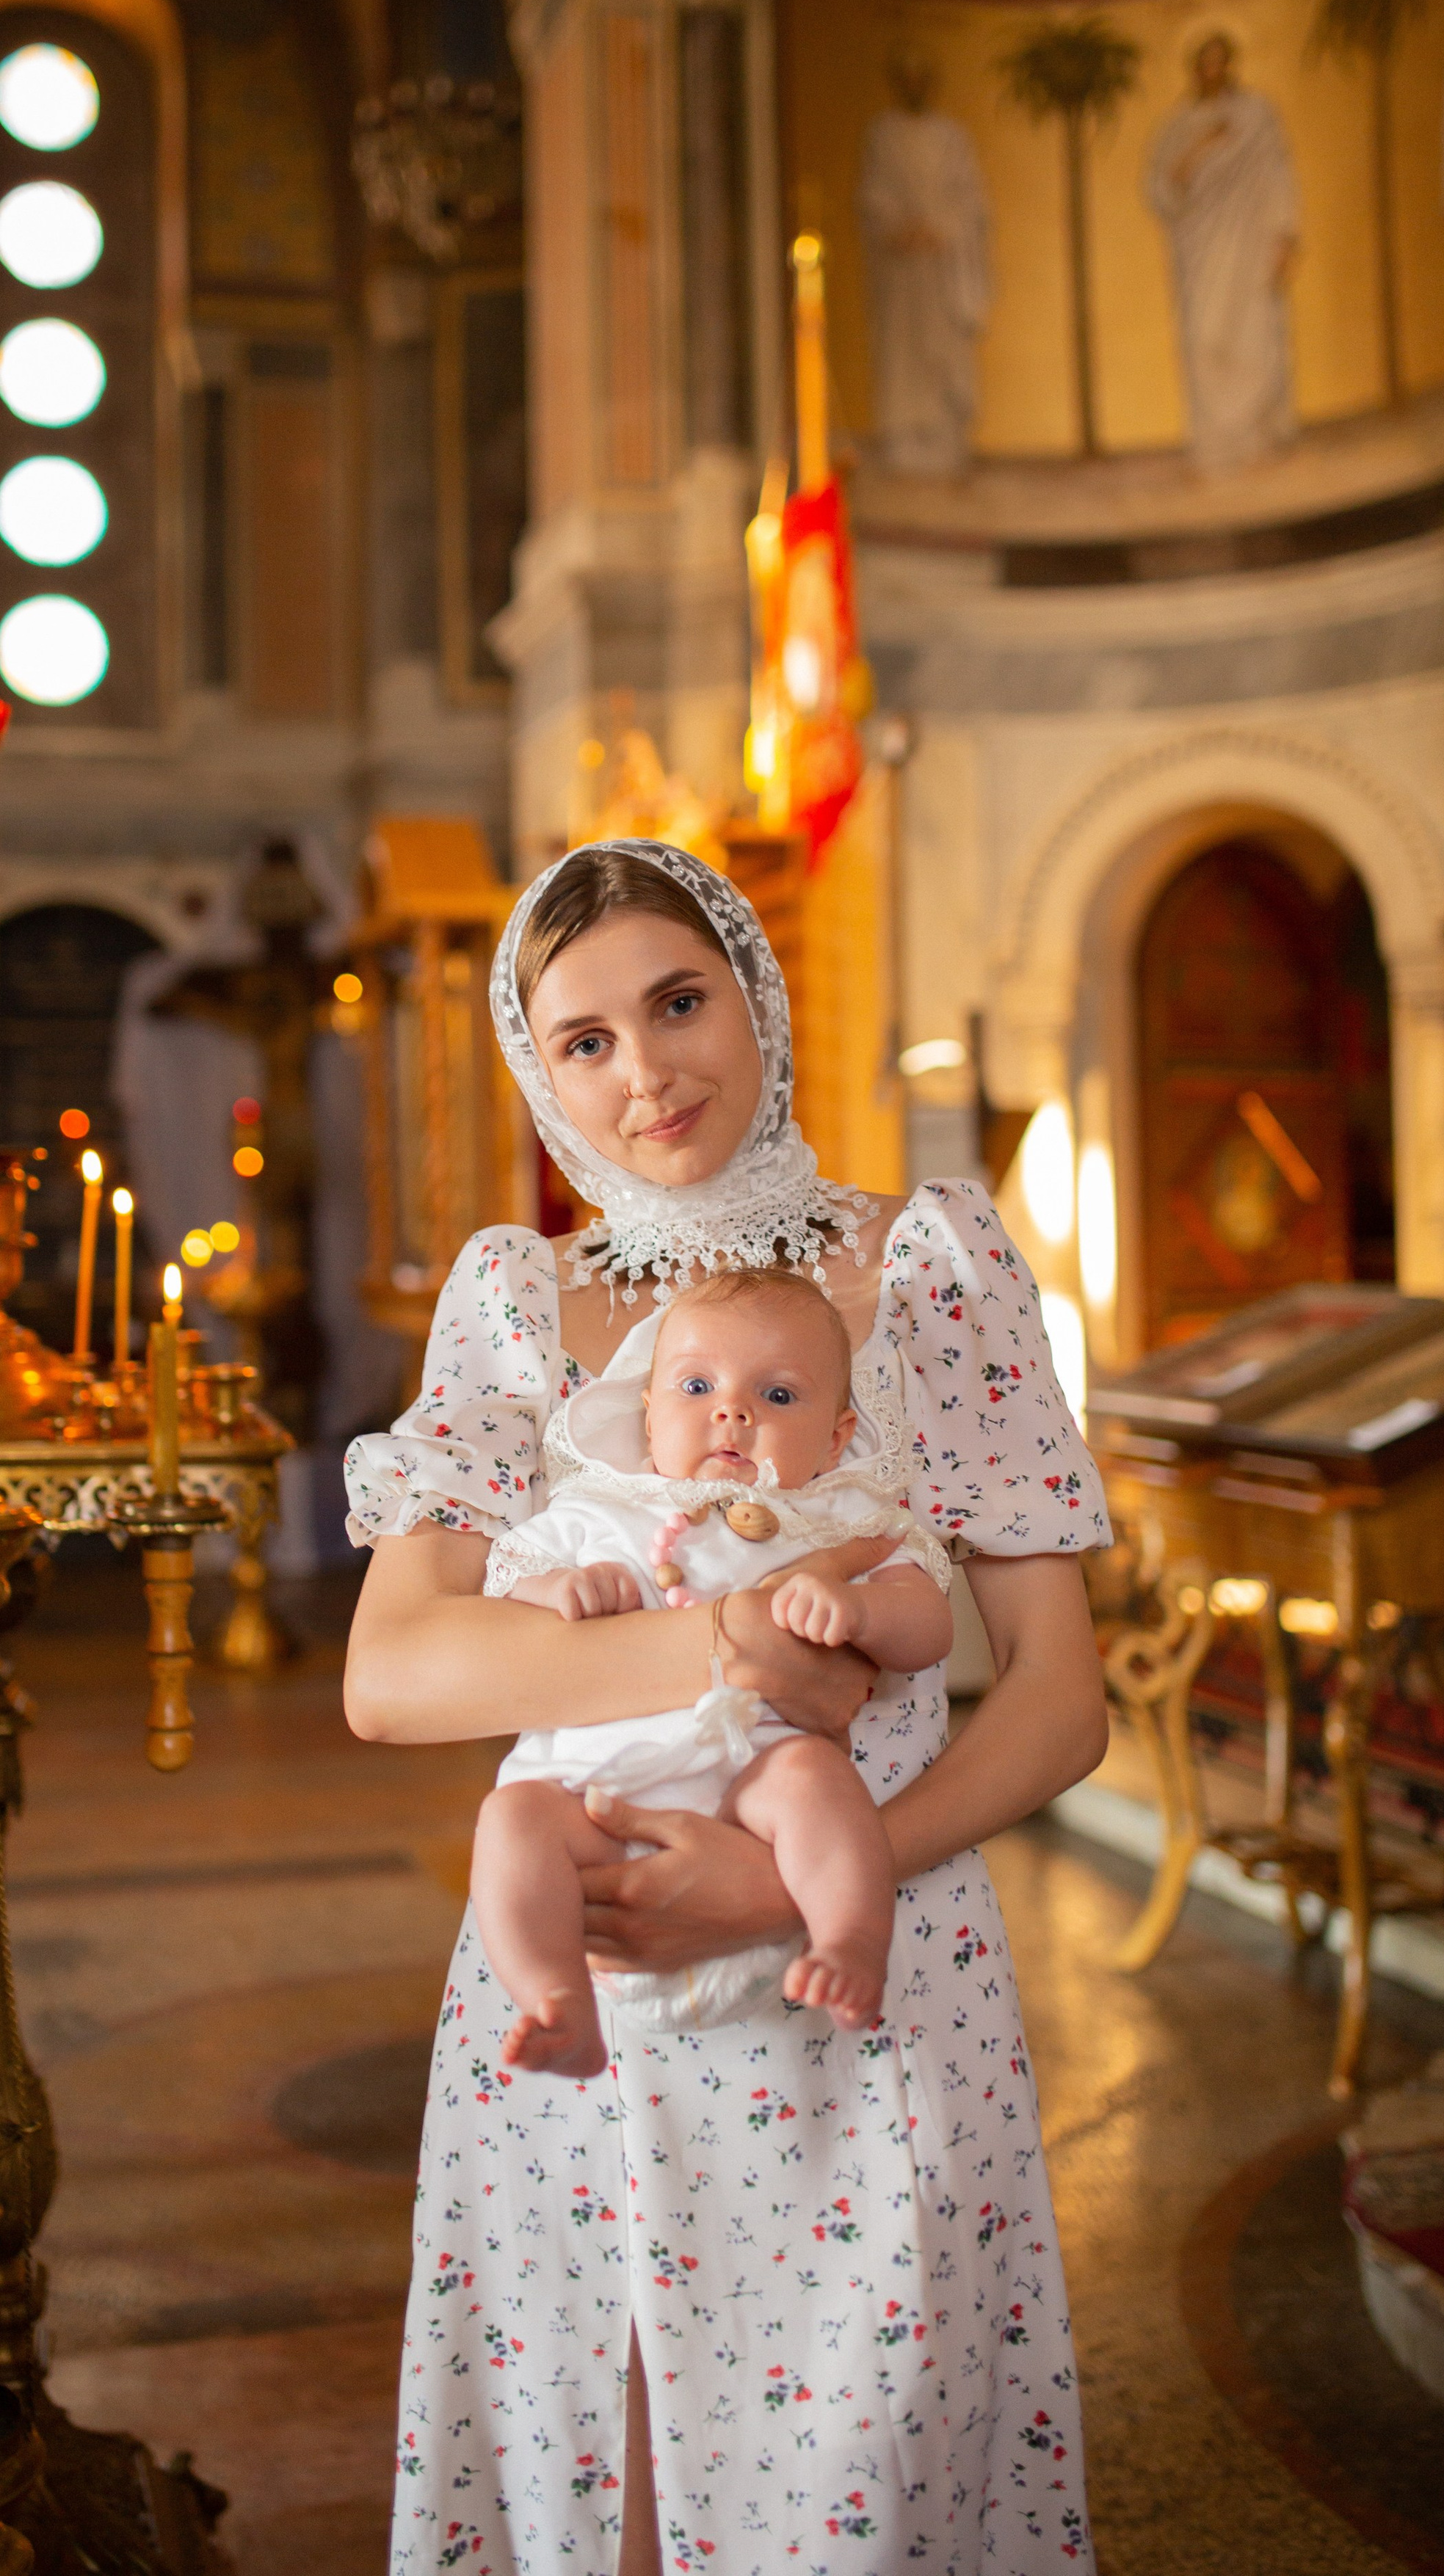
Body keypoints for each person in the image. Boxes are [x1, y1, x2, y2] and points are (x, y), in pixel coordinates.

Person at [344, 839, 1112, 2575]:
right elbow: (392, 1674)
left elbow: (1058, 1701)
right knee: (600, 2484)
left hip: (871, 1974)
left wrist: (786, 1883)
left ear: (757, 998)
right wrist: (735, 1642)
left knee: (858, 2487)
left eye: (678, 1001)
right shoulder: (514, 1299)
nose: (645, 1071)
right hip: (584, 1997)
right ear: (538, 1070)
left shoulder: (923, 1264)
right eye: (584, 1038)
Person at [473, 1267, 956, 2075]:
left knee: (811, 1779)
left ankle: (850, 1942)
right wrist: (557, 1590)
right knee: (512, 1821)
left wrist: (861, 1609)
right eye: (696, 1386)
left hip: (751, 1789)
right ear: (648, 1413)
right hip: (594, 1799)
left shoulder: (836, 1520)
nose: (732, 1412)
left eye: (778, 1395)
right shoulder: (597, 1513)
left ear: (835, 1439)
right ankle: (558, 2000)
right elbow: (503, 1588)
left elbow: (930, 1624)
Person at [1145, 32, 1300, 473]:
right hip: (1202, 252)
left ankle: (1257, 438)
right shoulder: (1178, 126)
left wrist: (1283, 238)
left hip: (1251, 245)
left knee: (1255, 335)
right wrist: (1202, 146)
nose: (1214, 71)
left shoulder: (1257, 115)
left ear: (1230, 66)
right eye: (1206, 63)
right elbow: (1161, 189)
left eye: (1221, 62)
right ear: (1196, 70)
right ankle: (1217, 445)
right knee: (1206, 339)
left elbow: (1278, 174)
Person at [857, 47, 992, 475]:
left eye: (922, 78)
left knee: (943, 352)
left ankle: (946, 440)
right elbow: (871, 192)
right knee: (903, 356)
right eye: (907, 78)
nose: (915, 86)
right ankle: (903, 440)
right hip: (900, 266)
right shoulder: (882, 134)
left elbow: (971, 197)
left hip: (943, 264)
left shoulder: (951, 136)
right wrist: (899, 227)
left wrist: (942, 228)